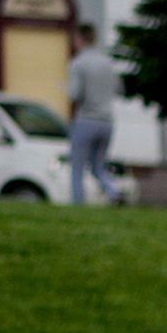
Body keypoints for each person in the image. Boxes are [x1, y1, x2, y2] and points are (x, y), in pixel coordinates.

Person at [64, 32, 118, 204]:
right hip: (107, 122)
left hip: (87, 119)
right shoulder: (107, 63)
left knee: (77, 167)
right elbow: (118, 88)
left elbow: (75, 93)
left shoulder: (79, 63)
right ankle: (114, 192)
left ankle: (78, 202)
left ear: (79, 39)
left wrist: (64, 88)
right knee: (98, 167)